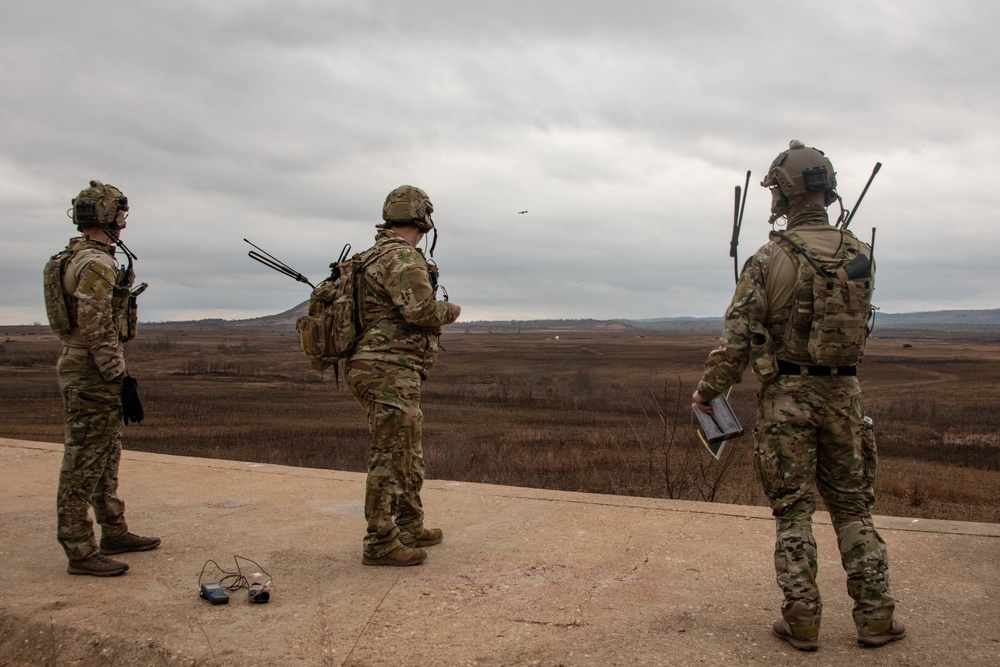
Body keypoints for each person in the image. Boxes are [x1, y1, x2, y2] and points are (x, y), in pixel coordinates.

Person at [692, 142, 905, 650]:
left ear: (783, 195)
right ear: (827, 190)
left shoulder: (768, 259)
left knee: (793, 513)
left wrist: (708, 392)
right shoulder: (860, 253)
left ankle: (803, 620)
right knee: (854, 510)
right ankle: (875, 617)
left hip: (787, 398)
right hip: (845, 394)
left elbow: (737, 339)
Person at [43, 180, 160, 577]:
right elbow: (97, 326)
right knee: (84, 459)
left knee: (105, 453)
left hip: (84, 365)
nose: (124, 220)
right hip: (92, 370)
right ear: (110, 216)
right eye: (121, 212)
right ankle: (79, 548)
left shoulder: (70, 257)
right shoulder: (96, 263)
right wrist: (118, 375)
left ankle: (113, 529)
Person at [347, 185, 461, 566]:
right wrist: (450, 310)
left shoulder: (371, 255)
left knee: (407, 451)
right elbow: (421, 312)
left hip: (385, 370)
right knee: (391, 455)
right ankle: (380, 541)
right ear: (424, 219)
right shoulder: (403, 258)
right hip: (387, 370)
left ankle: (409, 525)